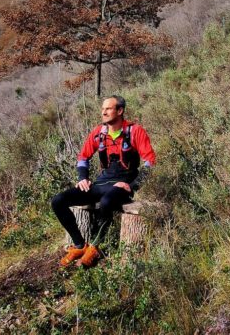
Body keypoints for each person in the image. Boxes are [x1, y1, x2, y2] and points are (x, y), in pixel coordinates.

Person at [51, 95, 156, 268]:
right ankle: (79, 245)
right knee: (58, 201)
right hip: (101, 183)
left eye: (108, 109)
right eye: (102, 109)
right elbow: (83, 157)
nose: (103, 112)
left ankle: (94, 246)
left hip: (122, 185)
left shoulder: (135, 131)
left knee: (107, 202)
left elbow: (150, 162)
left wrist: (132, 185)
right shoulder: (99, 133)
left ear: (120, 111)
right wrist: (82, 178)